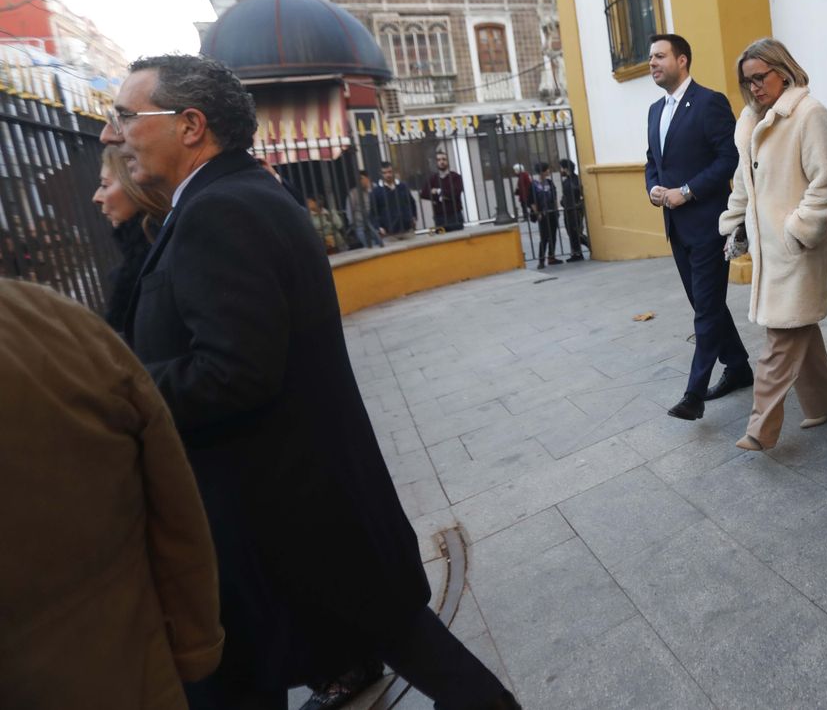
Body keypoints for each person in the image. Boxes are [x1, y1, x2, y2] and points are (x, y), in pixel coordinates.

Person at [100, 54, 519, 709]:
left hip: (291, 516)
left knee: (421, 654)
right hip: (302, 509)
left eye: (126, 115)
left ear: (189, 125)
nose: (110, 132)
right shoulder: (237, 196)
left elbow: (235, 371)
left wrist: (122, 384)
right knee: (404, 645)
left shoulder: (219, 212)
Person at [0, 279, 223, 709]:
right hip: (133, 679)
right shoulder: (55, 320)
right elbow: (174, 505)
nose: (98, 204)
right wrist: (196, 642)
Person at [717, 38, 827, 451]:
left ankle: (760, 429)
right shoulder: (748, 120)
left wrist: (796, 230)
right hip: (767, 249)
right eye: (747, 81)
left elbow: (826, 183)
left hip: (796, 249)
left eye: (761, 77)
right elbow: (743, 183)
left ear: (784, 71)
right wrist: (734, 223)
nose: (754, 87)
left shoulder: (809, 114)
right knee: (797, 327)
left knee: (780, 337)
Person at [644, 33, 754, 421]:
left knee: (705, 309)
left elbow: (730, 160)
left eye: (660, 56)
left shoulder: (709, 103)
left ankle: (694, 394)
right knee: (704, 304)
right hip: (676, 227)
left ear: (683, 60)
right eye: (650, 58)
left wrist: (687, 191)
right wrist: (654, 188)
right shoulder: (655, 111)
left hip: (710, 224)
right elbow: (652, 161)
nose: (652, 64)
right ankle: (738, 366)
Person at [93, 144, 171, 337]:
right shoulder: (147, 250)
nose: (96, 197)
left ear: (136, 186)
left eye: (104, 185)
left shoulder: (159, 256)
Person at [372, 161, 417, 239]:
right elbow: (373, 212)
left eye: (390, 172)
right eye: (384, 173)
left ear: (394, 172)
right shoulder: (376, 191)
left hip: (407, 228)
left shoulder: (402, 186)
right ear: (381, 174)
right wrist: (379, 227)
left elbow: (411, 202)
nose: (388, 175)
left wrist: (413, 217)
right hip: (389, 232)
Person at [422, 151, 466, 231]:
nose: (441, 162)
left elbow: (455, 193)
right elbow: (424, 193)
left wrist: (438, 191)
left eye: (444, 159)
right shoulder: (433, 178)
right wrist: (442, 196)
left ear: (448, 161)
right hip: (440, 217)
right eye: (438, 160)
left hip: (455, 215)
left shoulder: (455, 177)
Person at [531, 161, 562, 269]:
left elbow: (554, 197)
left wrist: (557, 210)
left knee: (553, 236)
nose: (549, 171)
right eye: (547, 169)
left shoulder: (549, 182)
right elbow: (532, 201)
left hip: (552, 212)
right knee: (544, 237)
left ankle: (551, 257)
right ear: (543, 171)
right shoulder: (534, 185)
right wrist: (537, 213)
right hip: (543, 215)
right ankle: (541, 260)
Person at [346, 170, 384, 250]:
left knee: (381, 244)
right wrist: (353, 223)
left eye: (362, 178)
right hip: (360, 225)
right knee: (369, 247)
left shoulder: (374, 189)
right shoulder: (353, 193)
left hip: (373, 223)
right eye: (358, 179)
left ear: (368, 178)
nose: (360, 181)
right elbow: (349, 210)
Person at [558, 158, 585, 261]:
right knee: (572, 232)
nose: (560, 170)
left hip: (573, 210)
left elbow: (577, 195)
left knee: (575, 232)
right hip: (571, 209)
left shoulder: (572, 181)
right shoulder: (572, 180)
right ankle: (576, 253)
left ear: (566, 169)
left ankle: (585, 248)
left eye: (561, 168)